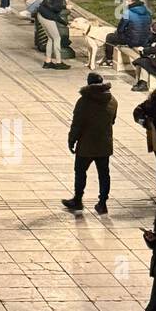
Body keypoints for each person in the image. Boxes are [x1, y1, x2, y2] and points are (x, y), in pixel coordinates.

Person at [61, 72, 117, 215]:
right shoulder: (112, 100)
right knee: (104, 174)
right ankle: (102, 203)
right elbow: (113, 120)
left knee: (80, 172)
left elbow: (77, 124)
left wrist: (71, 140)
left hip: (86, 144)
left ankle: (78, 200)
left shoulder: (84, 101)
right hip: (104, 143)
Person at [101, 0, 153, 67]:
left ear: (132, 2)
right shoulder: (147, 12)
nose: (126, 3)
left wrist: (121, 33)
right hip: (145, 40)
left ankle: (109, 60)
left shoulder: (127, 12)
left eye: (127, 1)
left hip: (132, 40)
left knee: (110, 37)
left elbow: (120, 28)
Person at [38, 0, 74, 70]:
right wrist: (65, 6)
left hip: (40, 14)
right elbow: (56, 10)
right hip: (47, 17)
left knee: (50, 38)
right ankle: (58, 62)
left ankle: (48, 61)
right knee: (57, 38)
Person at [132, 84, 156, 195]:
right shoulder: (154, 102)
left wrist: (144, 122)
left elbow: (137, 112)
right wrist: (145, 123)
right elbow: (138, 112)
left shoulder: (154, 100)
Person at [131, 21, 156, 92]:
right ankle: (139, 81)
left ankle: (143, 84)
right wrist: (144, 48)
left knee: (143, 62)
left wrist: (145, 50)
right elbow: (150, 43)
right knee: (141, 61)